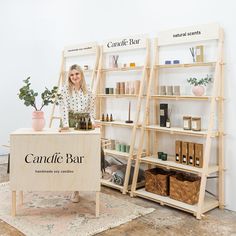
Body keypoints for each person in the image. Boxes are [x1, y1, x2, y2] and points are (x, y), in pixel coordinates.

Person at [59, 64, 96, 203]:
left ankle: (84, 184)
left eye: (77, 74)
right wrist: (66, 126)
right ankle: (74, 189)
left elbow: (91, 111)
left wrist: (93, 122)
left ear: (81, 75)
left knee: (83, 157)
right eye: (72, 75)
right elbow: (63, 109)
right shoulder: (64, 90)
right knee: (71, 157)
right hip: (68, 123)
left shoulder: (90, 91)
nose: (74, 77)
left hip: (84, 123)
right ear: (69, 76)